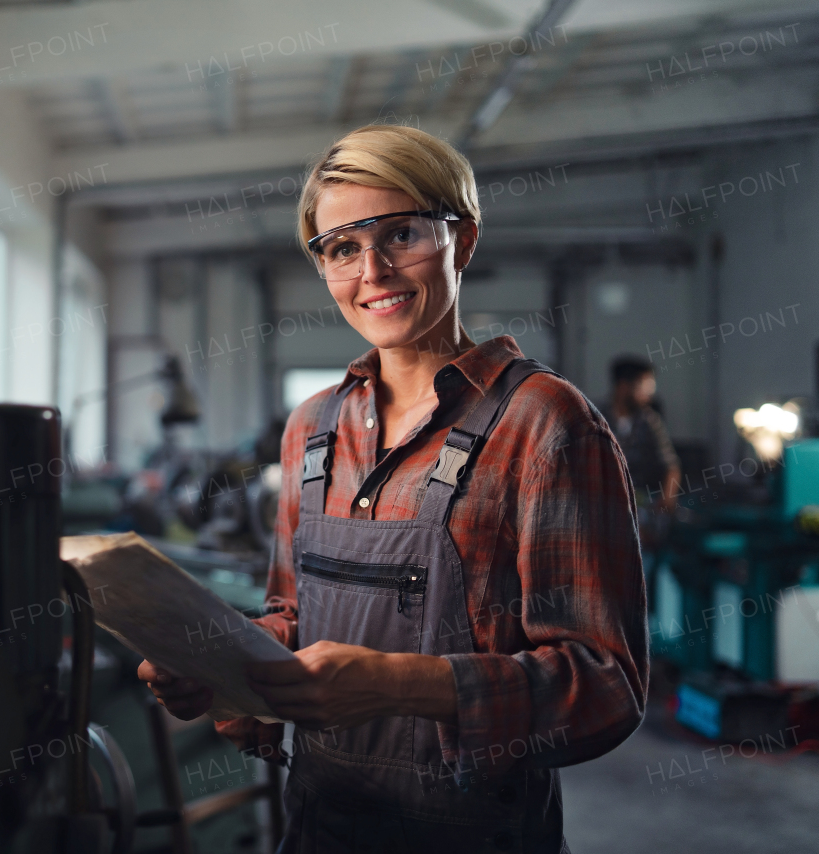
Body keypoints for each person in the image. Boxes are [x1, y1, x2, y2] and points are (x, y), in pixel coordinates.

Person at [137, 124, 648, 853]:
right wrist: (221, 662)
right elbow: (294, 617)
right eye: (342, 247)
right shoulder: (312, 429)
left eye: (401, 233)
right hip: (318, 827)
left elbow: (604, 689)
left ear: (462, 240)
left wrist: (404, 685)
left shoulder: (545, 424)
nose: (372, 270)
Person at [602, 356, 682, 513]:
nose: (650, 394)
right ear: (624, 386)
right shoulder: (595, 417)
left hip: (642, 504)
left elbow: (671, 465)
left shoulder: (649, 420)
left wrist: (668, 497)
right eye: (645, 387)